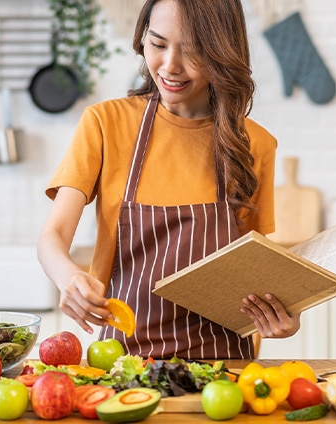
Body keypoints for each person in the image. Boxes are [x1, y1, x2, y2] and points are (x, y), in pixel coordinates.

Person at [36, 0, 300, 360]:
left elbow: (254, 269)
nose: (170, 66)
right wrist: (67, 277)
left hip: (224, 368)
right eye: (158, 44)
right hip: (124, 363)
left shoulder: (254, 144)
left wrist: (284, 314)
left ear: (223, 52)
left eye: (194, 52)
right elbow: (52, 237)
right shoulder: (105, 123)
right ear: (142, 38)